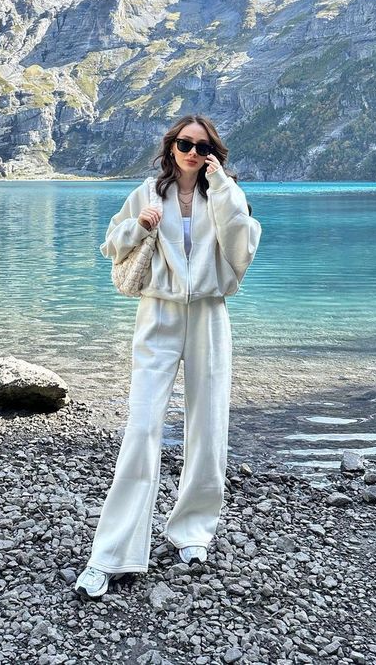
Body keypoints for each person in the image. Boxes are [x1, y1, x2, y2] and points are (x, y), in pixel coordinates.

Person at [75, 114, 262, 599]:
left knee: (208, 425)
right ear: (171, 147)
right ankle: (112, 553)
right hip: (156, 315)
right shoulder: (146, 193)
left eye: (203, 147)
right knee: (141, 427)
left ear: (213, 153)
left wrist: (220, 185)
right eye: (185, 144)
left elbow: (242, 247)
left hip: (208, 315)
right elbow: (109, 247)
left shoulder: (224, 192)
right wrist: (139, 226)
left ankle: (193, 532)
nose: (193, 153)